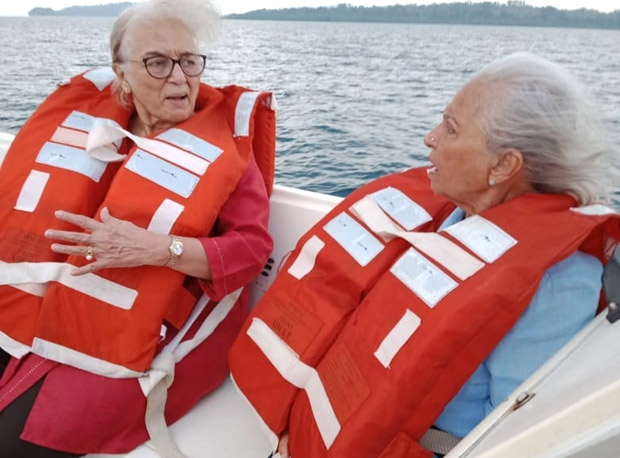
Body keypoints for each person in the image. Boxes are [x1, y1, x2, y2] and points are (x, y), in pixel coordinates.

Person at [228, 53, 620, 458]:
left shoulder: (558, 280)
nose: (429, 138)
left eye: (450, 129)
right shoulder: (443, 219)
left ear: (504, 165)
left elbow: (508, 439)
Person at [0, 0, 276, 456]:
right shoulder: (91, 122)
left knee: (18, 440)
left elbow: (251, 250)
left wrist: (157, 248)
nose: (179, 77)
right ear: (120, 72)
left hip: (139, 340)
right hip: (35, 308)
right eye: (158, 62)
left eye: (189, 61)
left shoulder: (228, 151)